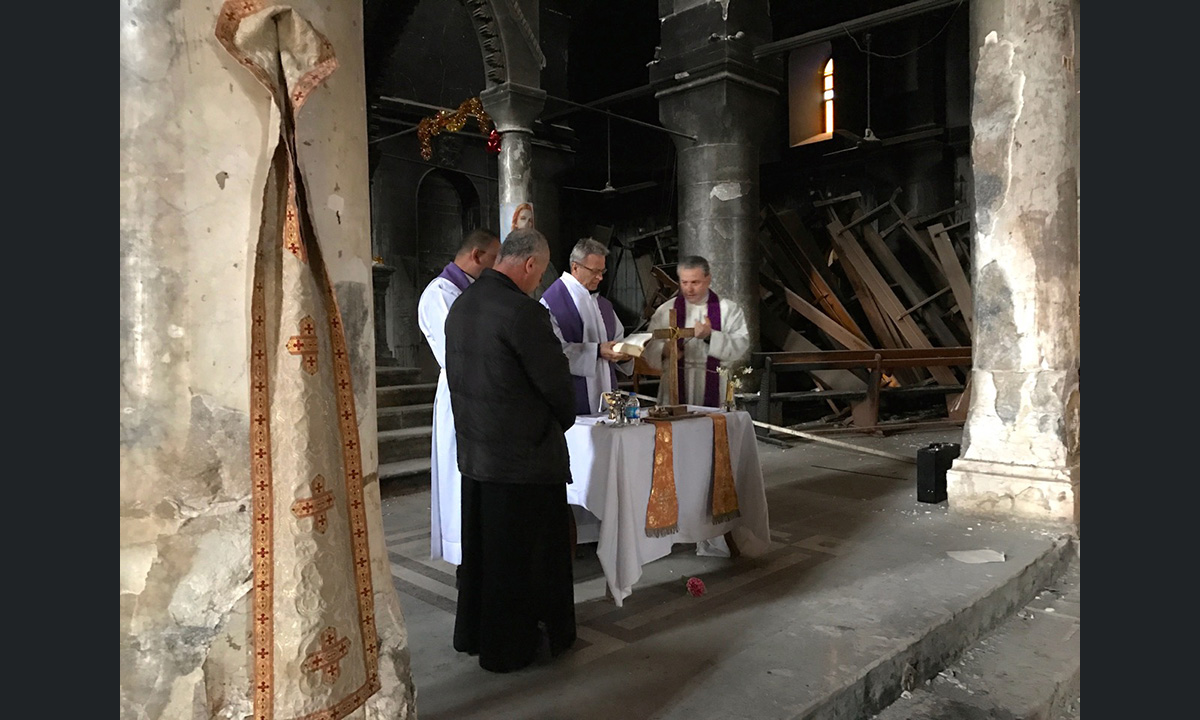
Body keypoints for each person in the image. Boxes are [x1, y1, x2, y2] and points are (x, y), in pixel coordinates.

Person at [444, 226, 578, 673]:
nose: (538, 281)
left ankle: (480, 634)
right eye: (538, 272)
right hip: (524, 462)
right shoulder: (523, 313)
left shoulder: (462, 305)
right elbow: (557, 386)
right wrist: (562, 420)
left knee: (485, 555)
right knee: (523, 561)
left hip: (479, 456)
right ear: (529, 264)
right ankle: (513, 647)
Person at [416, 229, 501, 566]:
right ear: (477, 255)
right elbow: (456, 351)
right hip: (460, 393)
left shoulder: (470, 290)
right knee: (458, 472)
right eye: (493, 259)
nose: (496, 267)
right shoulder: (440, 293)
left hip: (482, 393)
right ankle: (463, 549)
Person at [540, 237, 633, 415]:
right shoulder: (551, 302)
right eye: (595, 271)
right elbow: (551, 353)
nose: (600, 277)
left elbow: (618, 341)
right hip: (572, 399)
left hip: (608, 398)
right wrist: (597, 351)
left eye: (602, 271)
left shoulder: (603, 305)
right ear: (575, 267)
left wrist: (625, 356)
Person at [643, 255, 751, 408]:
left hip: (715, 384)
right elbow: (648, 344)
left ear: (708, 279)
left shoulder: (728, 309)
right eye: (684, 282)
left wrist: (710, 336)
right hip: (675, 384)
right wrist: (665, 350)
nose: (689, 289)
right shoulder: (666, 310)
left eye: (695, 282)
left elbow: (741, 345)